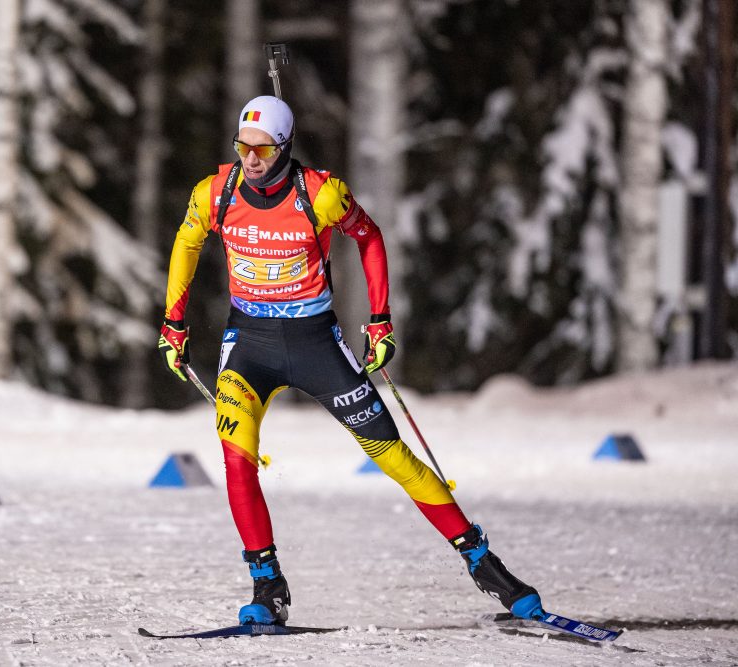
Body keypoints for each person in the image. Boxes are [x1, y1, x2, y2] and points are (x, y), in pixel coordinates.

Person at [157, 95, 541, 626]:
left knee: (393, 456)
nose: (252, 159)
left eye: (264, 149)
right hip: (249, 347)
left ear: (285, 146)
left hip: (317, 346)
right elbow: (187, 240)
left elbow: (371, 237)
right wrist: (174, 322)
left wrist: (380, 320)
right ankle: (267, 585)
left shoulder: (321, 193)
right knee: (236, 465)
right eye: (244, 147)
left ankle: (483, 561)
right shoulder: (215, 192)